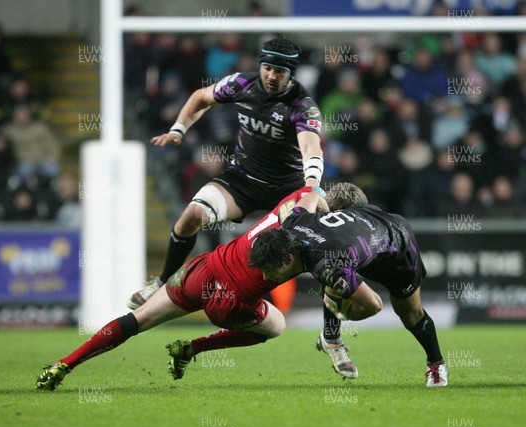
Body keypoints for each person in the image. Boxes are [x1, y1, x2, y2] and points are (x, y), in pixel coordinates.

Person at [36, 186, 342, 390]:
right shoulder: (316, 248)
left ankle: (63, 365)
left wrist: (322, 201)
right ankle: (192, 348)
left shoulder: (293, 205)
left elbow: (312, 189)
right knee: (277, 326)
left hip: (201, 271)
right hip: (229, 302)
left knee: (138, 320)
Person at [127, 36, 324, 309]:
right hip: (241, 180)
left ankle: (332, 324)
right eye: (268, 68)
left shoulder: (302, 106)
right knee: (192, 216)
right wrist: (178, 130)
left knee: (320, 247)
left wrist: (312, 184)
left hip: (286, 190)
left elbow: (311, 147)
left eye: (280, 71)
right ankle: (162, 282)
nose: (271, 75)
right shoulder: (242, 83)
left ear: (291, 74)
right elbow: (200, 97)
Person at [248, 183, 448, 387]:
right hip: (360, 237)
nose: (265, 277)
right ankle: (332, 338)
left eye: (269, 269)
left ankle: (436, 364)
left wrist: (343, 312)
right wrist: (325, 214)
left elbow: (374, 305)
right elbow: (312, 195)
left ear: (289, 258)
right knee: (334, 284)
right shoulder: (293, 220)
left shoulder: (329, 264)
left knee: (410, 313)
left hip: (396, 246)